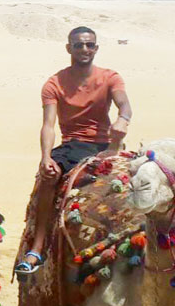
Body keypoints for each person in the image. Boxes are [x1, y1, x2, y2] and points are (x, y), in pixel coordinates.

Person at [15, 26, 131, 276]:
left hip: (107, 146)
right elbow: (48, 125)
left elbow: (124, 105)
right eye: (79, 45)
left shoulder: (111, 77)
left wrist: (123, 119)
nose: (85, 50)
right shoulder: (54, 83)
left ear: (96, 48)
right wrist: (46, 158)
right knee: (49, 177)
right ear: (69, 48)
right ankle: (38, 247)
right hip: (73, 146)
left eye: (90, 45)